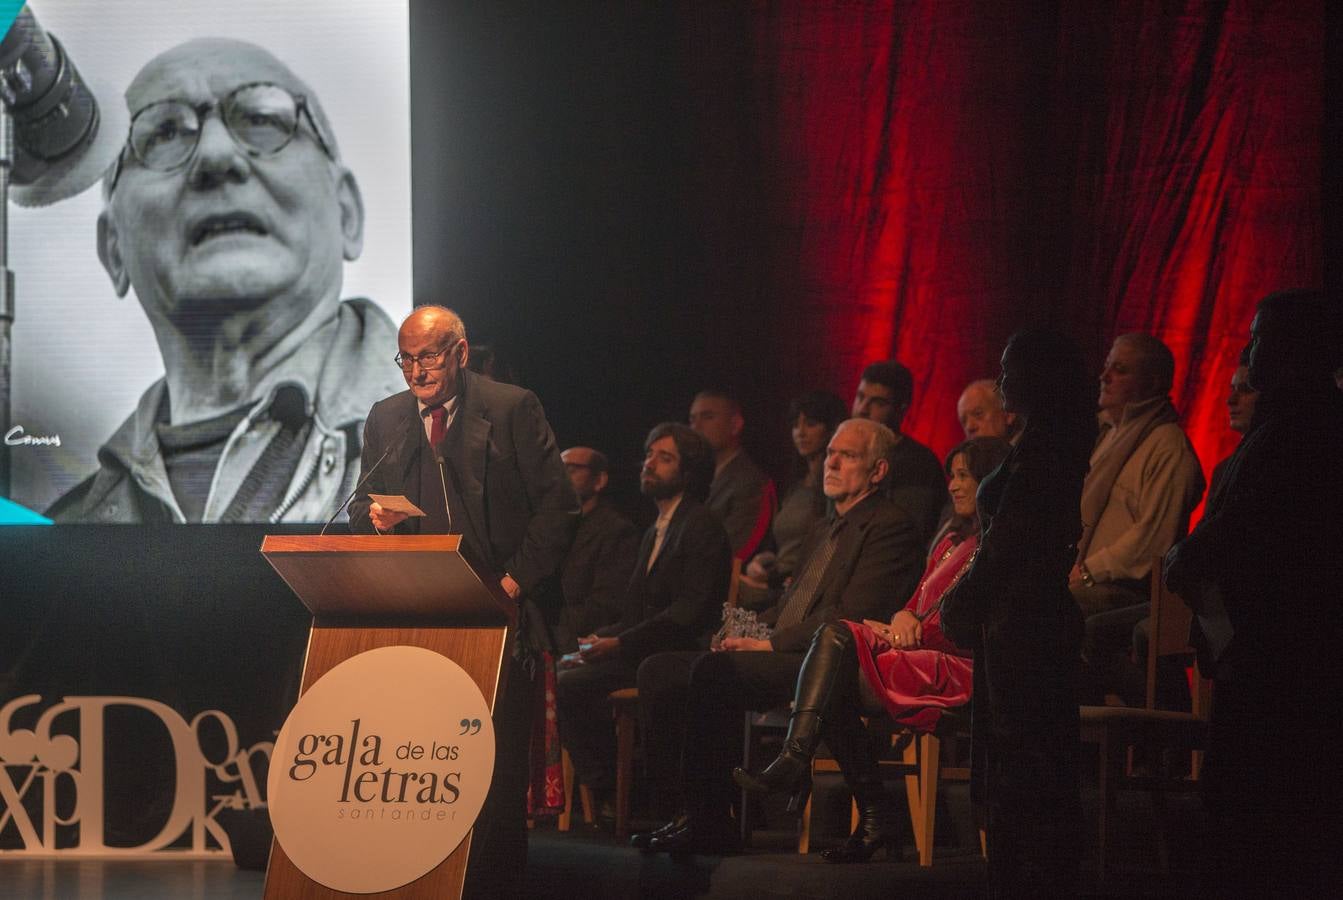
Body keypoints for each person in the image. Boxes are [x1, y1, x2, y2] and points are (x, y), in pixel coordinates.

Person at [48, 39, 403, 524]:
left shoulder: (472, 450)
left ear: (347, 214)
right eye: (164, 132)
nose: (216, 156)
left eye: (262, 119)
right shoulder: (62, 535)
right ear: (113, 250)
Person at [347, 305, 578, 898]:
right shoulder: (388, 417)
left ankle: (494, 885)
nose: (416, 371)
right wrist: (374, 519)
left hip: (499, 611)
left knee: (489, 772)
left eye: (427, 356)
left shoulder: (509, 409)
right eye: (406, 359)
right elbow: (360, 501)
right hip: (418, 612)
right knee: (422, 761)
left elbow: (558, 511)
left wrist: (509, 587)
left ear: (461, 353)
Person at [633, 418, 925, 854]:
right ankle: (687, 810)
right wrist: (743, 628)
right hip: (791, 649)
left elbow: (851, 613)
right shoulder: (824, 527)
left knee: (715, 674)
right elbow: (792, 606)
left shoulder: (890, 525)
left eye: (848, 456)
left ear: (878, 471)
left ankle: (712, 822)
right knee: (660, 670)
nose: (832, 463)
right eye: (830, 454)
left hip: (831, 661)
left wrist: (768, 643)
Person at [733, 436, 1011, 863]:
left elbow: (970, 624)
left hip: (959, 663)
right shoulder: (950, 542)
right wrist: (901, 618)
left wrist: (909, 624)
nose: (953, 486)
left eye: (964, 476)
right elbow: (917, 606)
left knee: (837, 642)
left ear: (992, 481)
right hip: (913, 649)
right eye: (951, 475)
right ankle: (870, 814)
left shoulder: (995, 548)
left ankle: (813, 769)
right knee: (835, 668)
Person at [1164, 289, 1343, 895]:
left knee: (1263, 808)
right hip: (1262, 644)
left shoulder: (1301, 429)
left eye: (1260, 338)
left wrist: (1187, 556)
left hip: (1282, 648)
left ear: (1295, 349)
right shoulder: (1284, 427)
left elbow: (1243, 528)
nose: (1249, 351)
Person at [939, 328, 1094, 895]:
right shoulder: (1046, 441)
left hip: (1026, 619)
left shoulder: (1048, 449)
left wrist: (961, 600)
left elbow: (1009, 543)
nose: (1001, 380)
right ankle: (1031, 867)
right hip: (1020, 616)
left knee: (1025, 753)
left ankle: (1029, 873)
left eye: (1010, 369)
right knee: (1027, 751)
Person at [555, 424, 731, 821]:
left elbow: (689, 612)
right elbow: (635, 614)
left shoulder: (700, 524)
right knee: (564, 667)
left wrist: (617, 645)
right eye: (649, 455)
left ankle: (615, 791)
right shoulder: (656, 529)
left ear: (688, 471)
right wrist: (599, 640)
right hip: (643, 648)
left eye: (664, 458)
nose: (650, 463)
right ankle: (610, 790)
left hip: (677, 652)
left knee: (572, 685)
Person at [1074, 334, 1204, 701]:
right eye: (1107, 366)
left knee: (1057, 613)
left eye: (1121, 369)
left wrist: (1085, 571)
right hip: (1091, 580)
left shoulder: (1166, 445)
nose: (1105, 376)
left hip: (1128, 589)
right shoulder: (1108, 437)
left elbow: (1153, 541)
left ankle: (1158, 720)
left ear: (1153, 382)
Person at [741, 390, 847, 597]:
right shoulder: (795, 486)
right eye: (795, 425)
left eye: (810, 424)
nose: (800, 432)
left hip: (795, 590)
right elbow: (786, 548)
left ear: (831, 429)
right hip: (774, 581)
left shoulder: (833, 491)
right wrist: (761, 561)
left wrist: (774, 581)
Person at [553, 446, 641, 653]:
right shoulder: (550, 528)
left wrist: (548, 627)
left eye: (571, 469)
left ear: (599, 480)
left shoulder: (617, 531)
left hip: (584, 641)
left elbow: (606, 606)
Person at [850, 360, 945, 542]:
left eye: (878, 403)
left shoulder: (919, 463)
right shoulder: (841, 454)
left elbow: (909, 532)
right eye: (860, 397)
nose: (862, 409)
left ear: (901, 408)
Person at [689, 390, 776, 559]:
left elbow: (735, 549)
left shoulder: (750, 482)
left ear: (735, 425)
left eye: (707, 417)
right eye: (692, 419)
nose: (696, 427)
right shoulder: (694, 479)